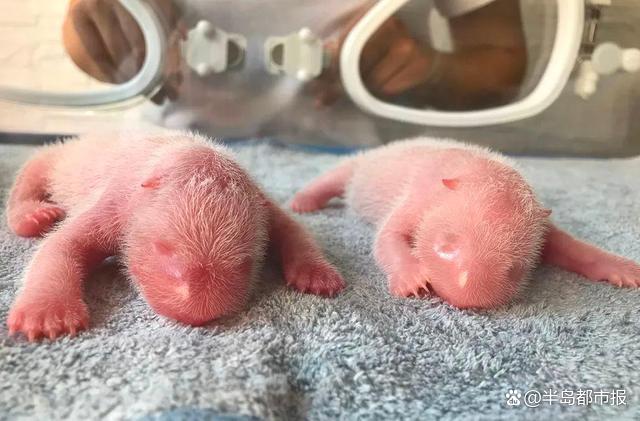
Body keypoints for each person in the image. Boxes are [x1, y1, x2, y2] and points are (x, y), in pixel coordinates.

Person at [62, 0, 527, 144]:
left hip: (367, 165)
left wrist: (427, 68)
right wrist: (107, 35)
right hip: (164, 156)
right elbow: (88, 36)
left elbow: (503, 67)